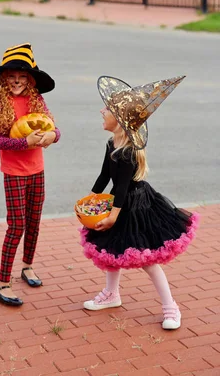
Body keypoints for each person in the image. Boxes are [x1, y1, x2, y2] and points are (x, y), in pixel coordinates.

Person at [80, 75, 199, 330]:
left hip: (136, 206)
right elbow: (104, 176)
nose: (102, 111)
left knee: (147, 259)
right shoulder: (111, 142)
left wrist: (112, 216)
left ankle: (171, 308)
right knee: (112, 250)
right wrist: (90, 199)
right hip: (118, 202)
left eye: (107, 109)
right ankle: (112, 295)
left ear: (120, 120)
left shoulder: (128, 151)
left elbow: (122, 187)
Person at [0, 43, 60, 306]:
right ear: (3, 79)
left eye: (22, 77)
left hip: (37, 169)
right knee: (17, 226)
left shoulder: (38, 100)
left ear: (30, 79)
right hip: (13, 171)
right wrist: (25, 143)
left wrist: (52, 136)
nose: (17, 82)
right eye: (12, 77)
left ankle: (27, 266)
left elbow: (54, 130)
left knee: (34, 221)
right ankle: (3, 283)